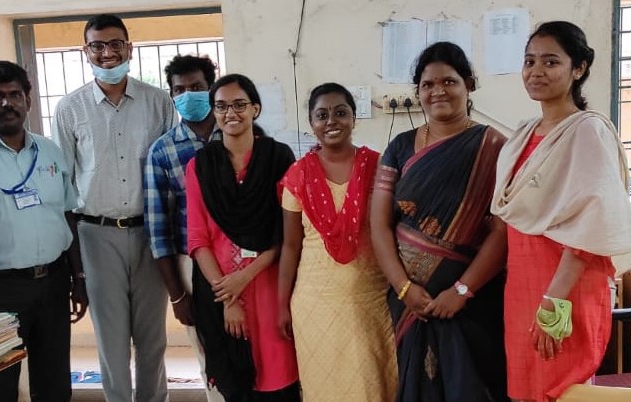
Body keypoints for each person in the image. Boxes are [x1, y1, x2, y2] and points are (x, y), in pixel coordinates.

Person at [491, 21, 631, 402]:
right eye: (529, 61)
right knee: (526, 388)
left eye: (551, 62)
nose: (536, 71)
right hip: (523, 284)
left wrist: (554, 300)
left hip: (565, 288)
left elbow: (591, 223)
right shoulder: (523, 135)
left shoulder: (587, 131)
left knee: (562, 390)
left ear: (579, 69)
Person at [369, 42, 509, 402]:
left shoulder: (495, 148)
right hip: (408, 299)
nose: (437, 91)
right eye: (428, 84)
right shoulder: (400, 147)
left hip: (473, 300)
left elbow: (502, 231)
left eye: (449, 82)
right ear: (418, 92)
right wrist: (403, 288)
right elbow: (379, 224)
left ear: (469, 85)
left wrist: (461, 291)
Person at [52, 14, 176, 402]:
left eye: (115, 44)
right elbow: (64, 184)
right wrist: (73, 260)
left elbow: (171, 170)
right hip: (96, 234)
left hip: (150, 233)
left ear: (129, 48)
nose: (107, 53)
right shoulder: (70, 108)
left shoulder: (158, 102)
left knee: (152, 339)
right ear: (85, 51)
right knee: (111, 340)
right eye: (97, 46)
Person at [0, 60, 84, 402]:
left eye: (15, 94)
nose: (7, 103)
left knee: (54, 382)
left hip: (54, 281)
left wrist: (79, 277)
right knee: (0, 383)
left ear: (28, 100)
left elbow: (67, 214)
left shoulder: (50, 151)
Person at [277, 82, 397, 401]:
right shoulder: (298, 175)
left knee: (374, 386)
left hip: (371, 299)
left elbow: (391, 228)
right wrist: (282, 304)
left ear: (354, 118)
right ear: (312, 123)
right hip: (314, 302)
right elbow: (291, 245)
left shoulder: (379, 167)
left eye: (341, 113)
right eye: (322, 115)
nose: (331, 121)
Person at [186, 73, 300, 402]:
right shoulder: (200, 166)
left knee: (278, 382)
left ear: (255, 109)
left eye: (239, 104)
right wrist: (229, 298)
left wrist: (245, 277)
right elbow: (197, 239)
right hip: (220, 291)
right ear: (213, 112)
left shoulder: (278, 158)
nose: (230, 113)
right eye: (221, 106)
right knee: (236, 386)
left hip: (269, 286)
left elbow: (286, 232)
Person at [143, 55, 224, 402]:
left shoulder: (239, 135)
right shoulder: (162, 151)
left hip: (243, 258)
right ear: (171, 95)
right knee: (210, 356)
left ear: (212, 88)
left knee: (253, 348)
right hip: (191, 263)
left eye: (196, 87)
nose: (188, 95)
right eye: (180, 90)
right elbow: (158, 231)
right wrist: (177, 296)